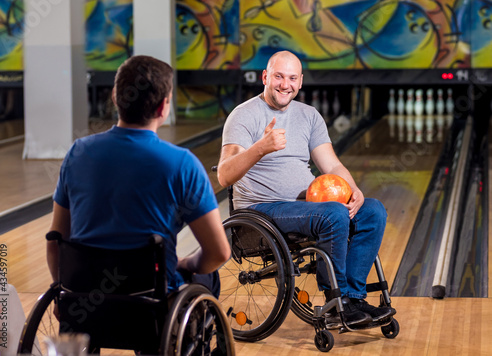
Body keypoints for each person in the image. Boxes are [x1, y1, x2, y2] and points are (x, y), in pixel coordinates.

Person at [217, 50, 395, 327]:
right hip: (262, 211)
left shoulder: (309, 115)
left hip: (308, 207)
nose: (284, 84)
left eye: (291, 78)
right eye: (278, 76)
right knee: (333, 214)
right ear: (265, 77)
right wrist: (260, 148)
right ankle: (337, 301)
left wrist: (354, 189)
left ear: (300, 82)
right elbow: (224, 175)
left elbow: (333, 166)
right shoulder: (243, 116)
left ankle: (354, 298)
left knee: (373, 211)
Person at [47, 55, 231, 299]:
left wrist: (62, 291)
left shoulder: (77, 153)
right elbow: (218, 253)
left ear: (114, 97)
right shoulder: (182, 164)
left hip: (85, 302)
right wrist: (188, 264)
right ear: (163, 107)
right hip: (152, 305)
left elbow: (55, 240)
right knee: (209, 276)